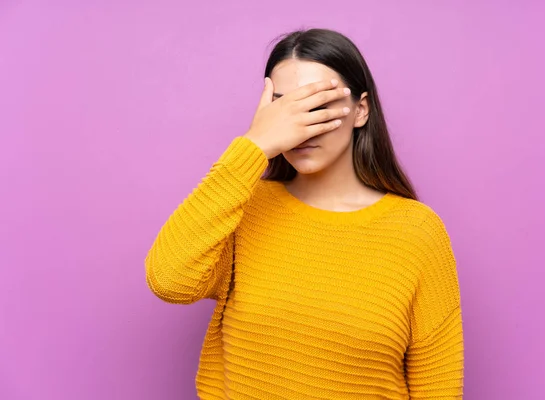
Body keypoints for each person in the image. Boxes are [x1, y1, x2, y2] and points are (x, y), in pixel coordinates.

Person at [145, 28, 464, 399]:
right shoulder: (245, 207)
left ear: (360, 110)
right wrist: (254, 146)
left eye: (318, 103)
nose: (300, 125)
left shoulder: (417, 232)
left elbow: (438, 389)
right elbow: (169, 280)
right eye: (285, 107)